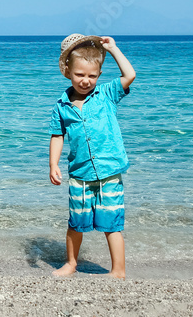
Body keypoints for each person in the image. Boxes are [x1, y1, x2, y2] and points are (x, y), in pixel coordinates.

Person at [48, 33, 136, 279]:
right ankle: (71, 264)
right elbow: (57, 136)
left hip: (109, 171)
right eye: (80, 75)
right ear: (68, 71)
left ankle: (118, 270)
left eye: (92, 76)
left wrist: (114, 49)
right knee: (76, 222)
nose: (86, 81)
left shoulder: (107, 93)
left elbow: (130, 75)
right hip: (80, 172)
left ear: (99, 75)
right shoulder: (61, 105)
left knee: (112, 223)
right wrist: (53, 164)